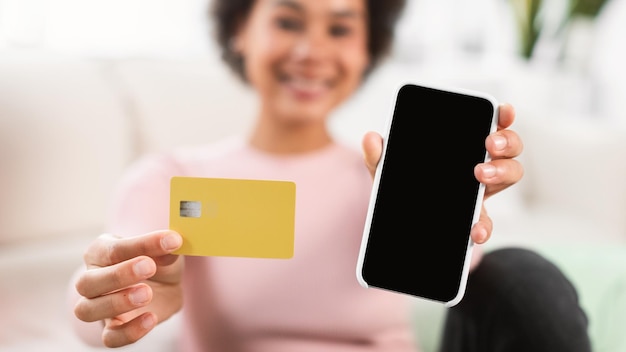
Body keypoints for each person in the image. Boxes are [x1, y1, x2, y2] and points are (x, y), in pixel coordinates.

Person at [68, 0, 592, 351]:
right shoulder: (169, 179)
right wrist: (112, 303)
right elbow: (96, 305)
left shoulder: (388, 177)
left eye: (340, 28)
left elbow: (476, 292)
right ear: (240, 31)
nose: (311, 51)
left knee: (520, 274)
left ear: (367, 50)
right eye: (288, 21)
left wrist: (459, 209)